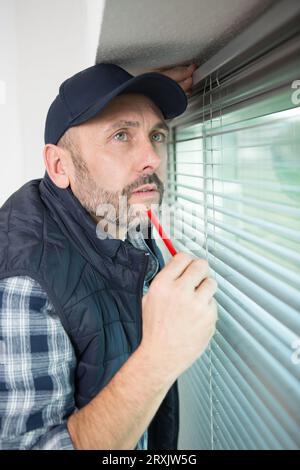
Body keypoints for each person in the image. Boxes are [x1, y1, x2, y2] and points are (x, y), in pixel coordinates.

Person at [0, 62, 217, 450]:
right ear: (59, 165)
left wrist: (132, 98)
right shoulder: (24, 283)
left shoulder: (111, 205)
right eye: (121, 135)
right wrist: (159, 357)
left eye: (156, 135)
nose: (151, 156)